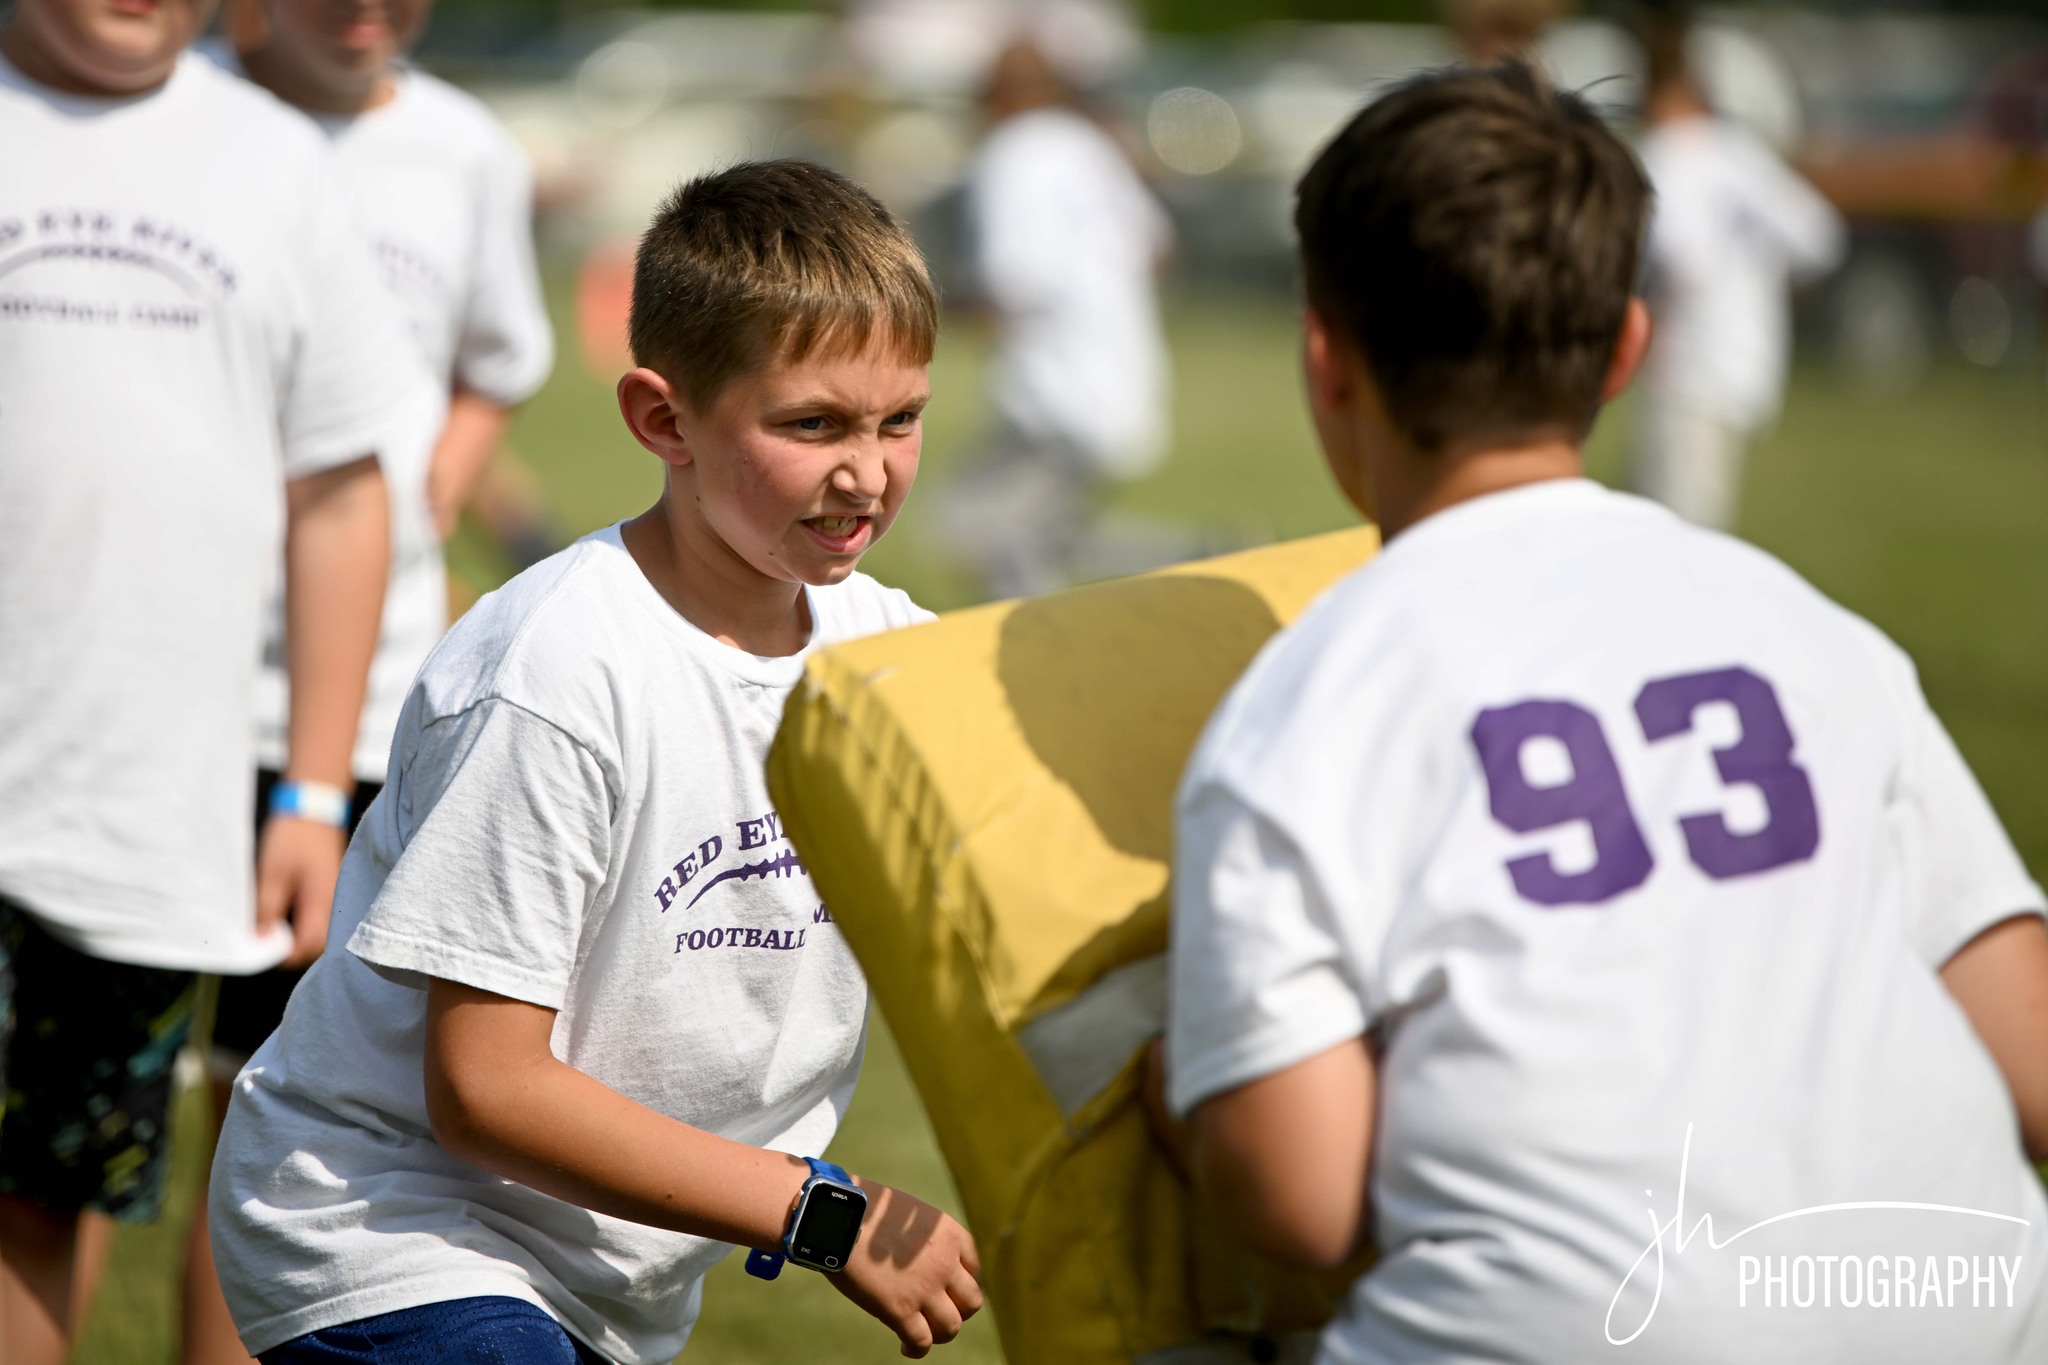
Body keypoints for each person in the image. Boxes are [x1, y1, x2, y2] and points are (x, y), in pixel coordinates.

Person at [1158, 62, 2048, 1363]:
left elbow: (1296, 1202)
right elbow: (2031, 1060)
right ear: (1631, 346)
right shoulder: (1814, 629)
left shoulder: (1301, 706)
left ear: (1324, 359)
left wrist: (1178, 1103)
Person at [209, 161, 984, 1365]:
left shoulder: (891, 661)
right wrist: (821, 1212)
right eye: (811, 423)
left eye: (900, 420)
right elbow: (487, 1089)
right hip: (390, 1227)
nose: (866, 472)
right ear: (662, 418)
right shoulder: (558, 673)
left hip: (604, 1276)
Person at [0, 0, 421, 1359]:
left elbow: (343, 496)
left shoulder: (270, 158)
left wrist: (308, 787)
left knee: (39, 1208)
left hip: (131, 810)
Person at [177, 5, 557, 1358]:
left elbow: (495, 364)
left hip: (366, 694)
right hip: (158, 689)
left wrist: (423, 501)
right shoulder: (176, 114)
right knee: (69, 1140)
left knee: (266, 1093)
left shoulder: (465, 151)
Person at [944, 36, 1173, 599]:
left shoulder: (1014, 153)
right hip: (1118, 373)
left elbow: (1012, 283)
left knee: (977, 524)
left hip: (1053, 390)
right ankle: (1198, 555)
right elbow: (1158, 248)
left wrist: (914, 307)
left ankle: (1029, 646)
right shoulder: (1089, 146)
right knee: (1045, 531)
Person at [1632, 3, 1844, 531]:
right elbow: (1820, 237)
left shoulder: (1667, 153)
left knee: (1678, 535)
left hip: (1688, 368)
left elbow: (1686, 262)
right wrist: (1761, 280)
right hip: (1746, 360)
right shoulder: (1738, 152)